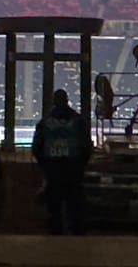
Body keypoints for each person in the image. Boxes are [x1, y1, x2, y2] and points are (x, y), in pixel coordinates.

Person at [31, 88, 92, 234]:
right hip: (73, 170)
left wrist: (45, 166)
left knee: (54, 211)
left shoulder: (44, 123)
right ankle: (76, 241)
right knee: (75, 210)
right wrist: (80, 166)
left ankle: (55, 240)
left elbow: (37, 148)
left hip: (52, 171)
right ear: (67, 100)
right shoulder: (78, 121)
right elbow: (86, 147)